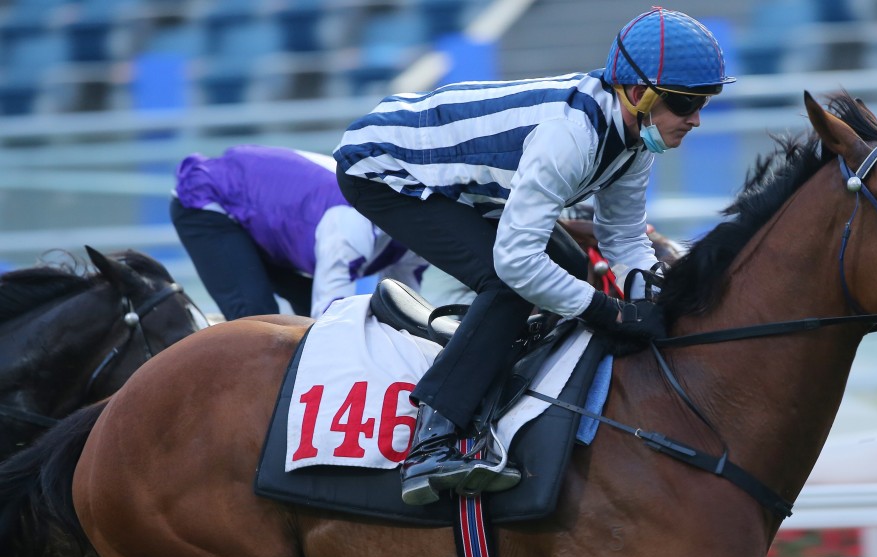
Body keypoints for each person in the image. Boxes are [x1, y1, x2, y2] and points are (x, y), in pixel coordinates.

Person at [334, 7, 734, 505]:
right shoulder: (571, 136)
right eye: (685, 102)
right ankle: (433, 439)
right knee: (510, 282)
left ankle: (503, 387)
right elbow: (517, 264)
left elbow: (624, 240)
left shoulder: (638, 141)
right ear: (638, 94)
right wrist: (608, 310)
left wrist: (656, 298)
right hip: (382, 168)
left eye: (704, 102)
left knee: (568, 268)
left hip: (453, 177)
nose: (695, 118)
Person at [170, 144, 427, 320]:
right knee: (258, 317)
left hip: (268, 219)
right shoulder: (350, 227)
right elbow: (330, 325)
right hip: (210, 201)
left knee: (307, 316)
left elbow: (403, 309)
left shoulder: (422, 230)